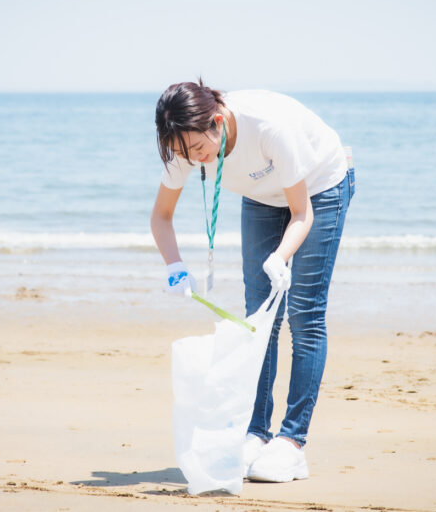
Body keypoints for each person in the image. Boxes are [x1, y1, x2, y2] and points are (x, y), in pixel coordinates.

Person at [150, 80, 354, 483]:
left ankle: (293, 443)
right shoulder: (182, 144)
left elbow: (301, 213)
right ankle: (256, 434)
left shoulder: (268, 128)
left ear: (218, 120)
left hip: (320, 187)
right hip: (262, 197)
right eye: (185, 154)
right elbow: (161, 216)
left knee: (304, 313)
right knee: (258, 318)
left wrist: (280, 257)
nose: (194, 159)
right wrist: (174, 265)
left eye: (198, 149)